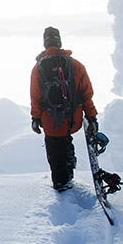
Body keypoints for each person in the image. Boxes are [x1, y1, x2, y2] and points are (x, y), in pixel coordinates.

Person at [30, 27, 98, 191]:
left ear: (45, 43)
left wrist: (35, 118)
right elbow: (86, 93)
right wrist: (92, 117)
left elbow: (35, 96)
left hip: (50, 120)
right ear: (59, 42)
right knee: (66, 143)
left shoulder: (38, 68)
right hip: (72, 118)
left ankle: (61, 185)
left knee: (55, 149)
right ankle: (68, 176)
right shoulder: (75, 65)